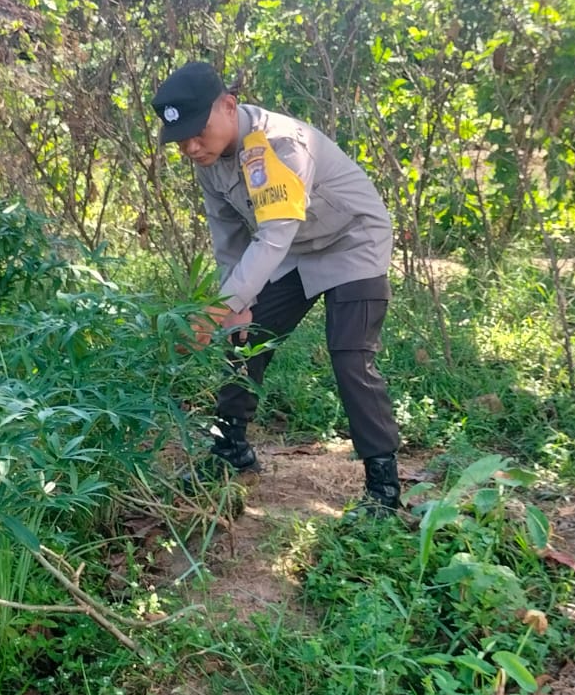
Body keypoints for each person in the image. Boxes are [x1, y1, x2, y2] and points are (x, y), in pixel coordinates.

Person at [153, 60, 402, 512]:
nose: (190, 146)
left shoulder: (282, 144)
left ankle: (383, 488)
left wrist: (215, 310)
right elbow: (228, 239)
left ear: (228, 106)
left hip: (352, 240)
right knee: (242, 339)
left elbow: (271, 236)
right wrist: (233, 304)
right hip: (292, 248)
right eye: (180, 139)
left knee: (350, 355)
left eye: (197, 131)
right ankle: (231, 452)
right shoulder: (208, 160)